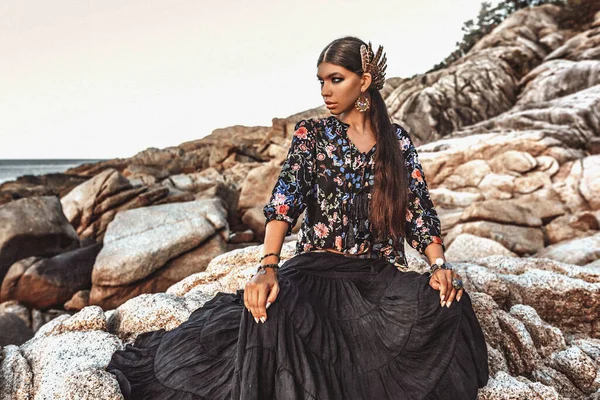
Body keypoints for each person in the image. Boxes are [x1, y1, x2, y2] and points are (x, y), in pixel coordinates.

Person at [106, 36, 489, 399]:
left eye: (336, 80)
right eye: (321, 81)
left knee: (448, 305)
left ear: (365, 82)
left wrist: (438, 264)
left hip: (377, 278)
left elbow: (418, 211)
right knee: (274, 312)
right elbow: (286, 200)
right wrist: (268, 266)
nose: (325, 91)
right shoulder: (313, 134)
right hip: (314, 271)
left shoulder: (398, 142)